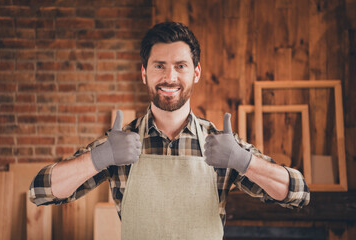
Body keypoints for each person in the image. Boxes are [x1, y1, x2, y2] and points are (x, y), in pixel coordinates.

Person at [29, 22, 310, 239]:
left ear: (196, 72)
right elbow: (40, 190)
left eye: (180, 66)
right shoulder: (118, 145)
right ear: (144, 73)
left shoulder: (221, 145)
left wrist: (243, 161)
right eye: (159, 66)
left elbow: (298, 193)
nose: (170, 77)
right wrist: (99, 158)